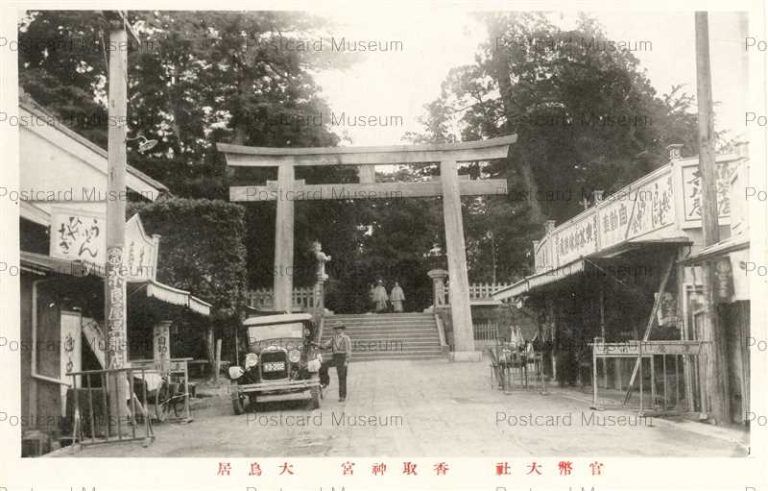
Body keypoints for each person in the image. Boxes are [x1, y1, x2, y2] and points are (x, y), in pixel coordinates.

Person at [319, 324, 352, 402]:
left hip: (342, 358)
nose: (338, 330)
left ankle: (342, 396)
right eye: (336, 329)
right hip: (335, 357)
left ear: (342, 330)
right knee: (323, 365)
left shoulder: (346, 338)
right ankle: (325, 382)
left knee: (342, 377)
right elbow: (325, 346)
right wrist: (319, 346)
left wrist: (346, 361)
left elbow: (349, 350)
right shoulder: (333, 338)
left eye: (339, 329)